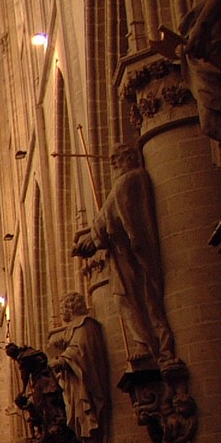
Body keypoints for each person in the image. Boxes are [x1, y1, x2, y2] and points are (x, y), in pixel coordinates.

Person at [72, 147, 177, 368]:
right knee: (125, 299)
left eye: (116, 159)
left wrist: (94, 237)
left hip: (131, 254)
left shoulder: (129, 180)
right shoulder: (122, 183)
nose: (113, 165)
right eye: (112, 161)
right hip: (121, 254)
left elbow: (115, 216)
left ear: (129, 158)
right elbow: (107, 215)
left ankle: (149, 343)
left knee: (137, 297)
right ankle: (146, 342)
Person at [167, 0, 221, 145]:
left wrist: (201, 25)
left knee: (211, 119)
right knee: (210, 122)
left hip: (212, 31)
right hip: (206, 39)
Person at [47, 292, 113, 443]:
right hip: (76, 382)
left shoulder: (86, 324)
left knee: (87, 415)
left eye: (63, 308)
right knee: (80, 418)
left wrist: (62, 360)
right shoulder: (74, 328)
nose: (62, 313)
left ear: (71, 307)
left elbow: (82, 350)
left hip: (86, 382)